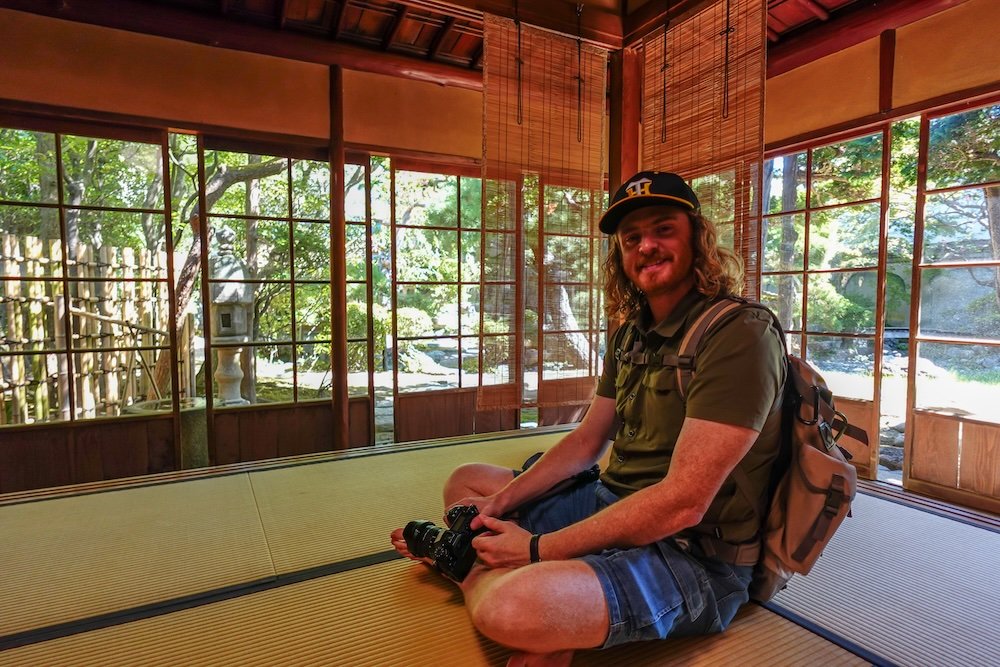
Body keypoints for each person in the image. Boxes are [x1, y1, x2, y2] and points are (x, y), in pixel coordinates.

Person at [390, 170, 786, 666]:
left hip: (694, 553)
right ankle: (543, 597)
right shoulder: (631, 335)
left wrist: (537, 550)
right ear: (620, 256)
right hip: (609, 503)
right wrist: (499, 502)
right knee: (467, 487)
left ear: (697, 239)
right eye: (631, 238)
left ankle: (470, 571)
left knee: (510, 608)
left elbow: (683, 503)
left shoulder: (739, 334)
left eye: (663, 229)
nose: (647, 246)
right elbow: (585, 445)